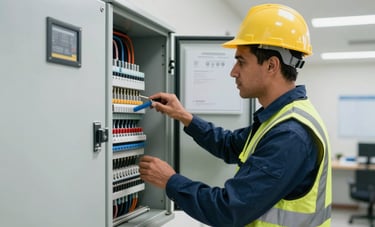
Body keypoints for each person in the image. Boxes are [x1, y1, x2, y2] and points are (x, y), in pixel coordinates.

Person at [139, 3, 332, 227]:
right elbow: (231, 145)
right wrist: (184, 116)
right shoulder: (280, 119)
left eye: (241, 61)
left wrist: (170, 181)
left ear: (271, 66)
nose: (233, 71)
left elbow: (229, 210)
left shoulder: (290, 135)